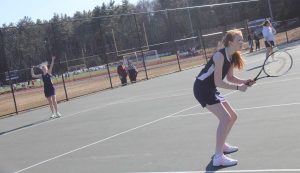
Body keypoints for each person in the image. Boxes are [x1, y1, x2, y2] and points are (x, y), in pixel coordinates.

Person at [193, 29, 255, 167]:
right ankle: (218, 157)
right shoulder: (219, 56)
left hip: (210, 88)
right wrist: (239, 88)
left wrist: (244, 82)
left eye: (242, 39)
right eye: (239, 40)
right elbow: (218, 82)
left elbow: (230, 77)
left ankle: (222, 146)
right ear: (231, 42)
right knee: (225, 118)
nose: (242, 42)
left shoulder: (232, 56)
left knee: (233, 116)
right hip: (202, 88)